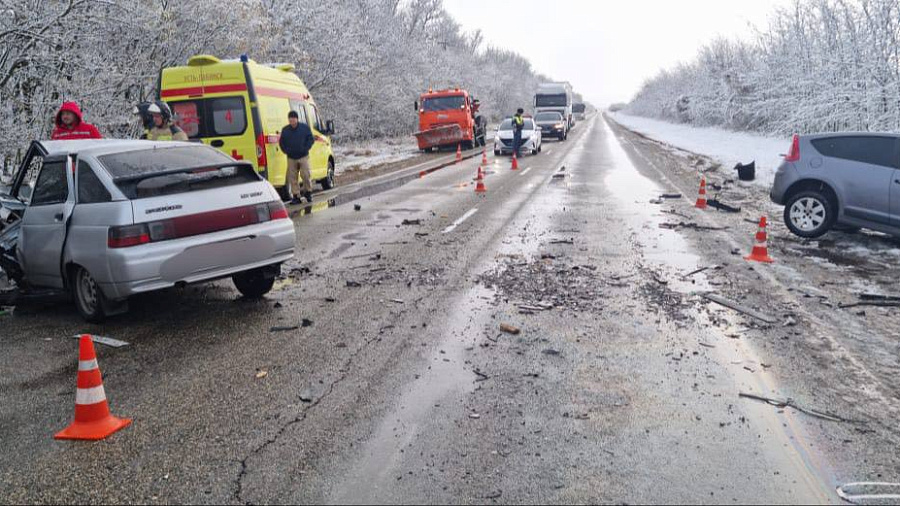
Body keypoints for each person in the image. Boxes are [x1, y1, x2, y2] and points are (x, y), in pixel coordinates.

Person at [279, 111, 315, 205]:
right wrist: (286, 151)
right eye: (290, 120)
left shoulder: (304, 128)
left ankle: (308, 192)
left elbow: (311, 139)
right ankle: (296, 196)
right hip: (291, 157)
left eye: (293, 120)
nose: (292, 122)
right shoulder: (285, 130)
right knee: (293, 178)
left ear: (297, 119)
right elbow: (281, 142)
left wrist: (305, 148)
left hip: (303, 156)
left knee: (306, 175)